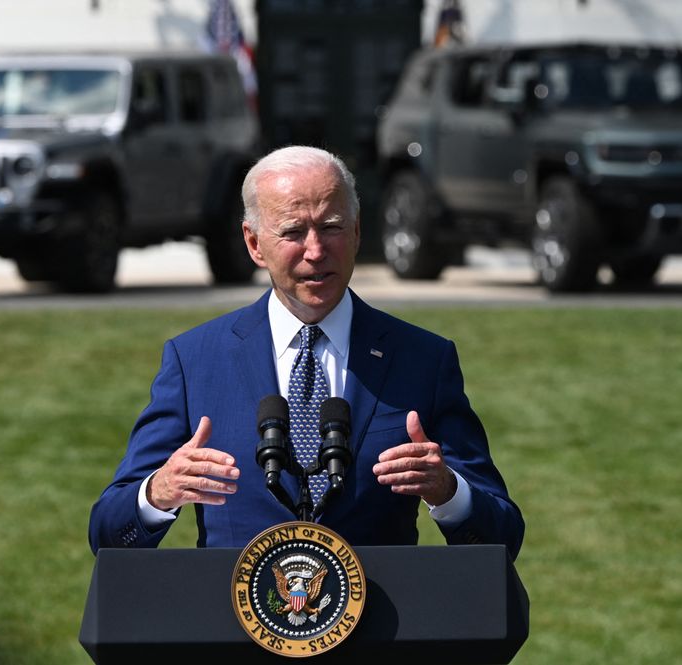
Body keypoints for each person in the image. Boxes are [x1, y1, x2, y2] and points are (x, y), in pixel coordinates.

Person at [88, 146, 524, 557]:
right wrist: (158, 492)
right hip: (231, 630)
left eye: (331, 227)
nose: (316, 251)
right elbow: (108, 533)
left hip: (383, 627)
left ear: (356, 231)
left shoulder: (423, 360)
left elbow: (502, 536)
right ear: (254, 243)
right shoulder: (196, 361)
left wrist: (448, 492)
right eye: (294, 232)